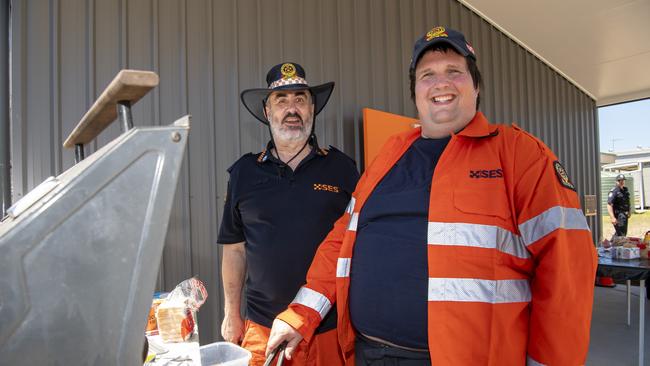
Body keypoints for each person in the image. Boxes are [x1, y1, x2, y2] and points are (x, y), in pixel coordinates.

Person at [266, 27, 597, 365]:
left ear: (476, 86)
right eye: (427, 75)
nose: (441, 83)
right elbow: (341, 242)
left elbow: (568, 273)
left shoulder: (519, 154)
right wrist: (300, 314)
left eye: (454, 71)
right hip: (369, 354)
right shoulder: (390, 154)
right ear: (415, 93)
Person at [217, 62, 358, 366]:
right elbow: (234, 248)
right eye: (281, 100)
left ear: (312, 109)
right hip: (261, 328)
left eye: (300, 99)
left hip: (327, 328)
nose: (291, 109)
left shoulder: (343, 169)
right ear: (267, 112)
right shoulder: (243, 172)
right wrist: (232, 313)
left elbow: (357, 246)